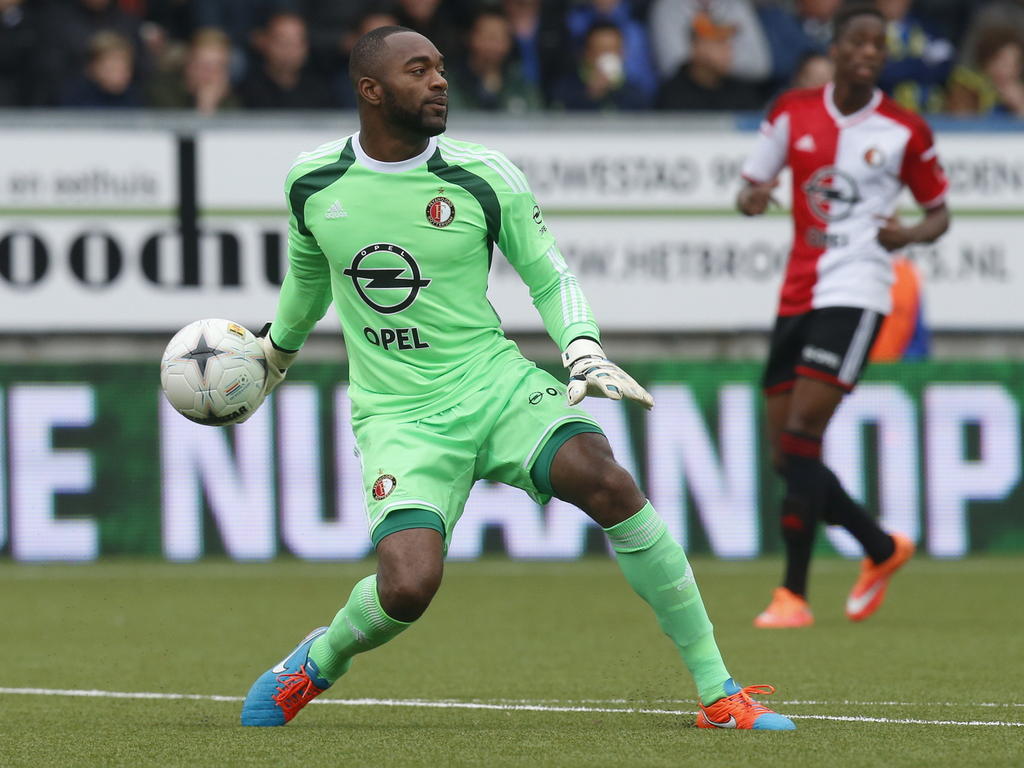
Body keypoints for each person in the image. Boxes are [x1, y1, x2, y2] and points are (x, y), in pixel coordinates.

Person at [239, 25, 795, 731]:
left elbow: (547, 272)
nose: (440, 81)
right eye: (419, 71)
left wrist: (583, 350)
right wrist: (274, 357)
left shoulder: (483, 174)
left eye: (441, 67)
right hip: (400, 417)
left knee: (609, 482)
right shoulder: (313, 180)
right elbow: (309, 276)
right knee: (407, 588)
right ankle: (316, 663)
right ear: (371, 90)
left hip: (495, 385)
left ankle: (719, 693)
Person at [736, 4, 950, 628]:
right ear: (835, 48)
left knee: (802, 434)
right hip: (797, 292)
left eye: (878, 45)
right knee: (784, 452)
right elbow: (752, 187)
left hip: (859, 289)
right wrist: (752, 198)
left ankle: (792, 595)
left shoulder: (904, 129)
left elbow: (940, 211)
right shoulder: (791, 111)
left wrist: (907, 234)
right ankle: (881, 548)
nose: (868, 52)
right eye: (857, 41)